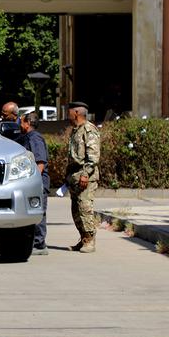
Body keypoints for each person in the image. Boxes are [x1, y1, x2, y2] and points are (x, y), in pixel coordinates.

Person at [65, 101, 100, 253]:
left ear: (77, 113)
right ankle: (83, 238)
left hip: (86, 176)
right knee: (76, 210)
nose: (68, 115)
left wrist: (85, 174)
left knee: (85, 208)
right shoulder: (76, 130)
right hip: (75, 176)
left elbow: (93, 156)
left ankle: (90, 241)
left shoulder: (88, 130)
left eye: (69, 111)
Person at [17, 111, 49, 254]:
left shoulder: (35, 138)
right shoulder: (26, 137)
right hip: (31, 182)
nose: (19, 124)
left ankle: (39, 244)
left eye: (21, 121)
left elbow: (40, 163)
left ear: (28, 123)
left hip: (38, 183)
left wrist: (33, 182)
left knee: (38, 213)